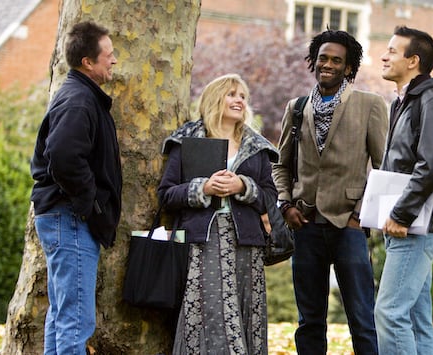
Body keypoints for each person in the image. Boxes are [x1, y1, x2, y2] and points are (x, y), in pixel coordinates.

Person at [272, 29, 388, 354]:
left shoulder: (370, 105)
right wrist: (285, 205)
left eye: (336, 60)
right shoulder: (296, 108)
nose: (328, 64)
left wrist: (360, 216)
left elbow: (384, 167)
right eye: (323, 58)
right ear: (314, 60)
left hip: (349, 226)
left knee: (362, 320)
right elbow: (280, 165)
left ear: (348, 68)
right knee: (309, 321)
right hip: (305, 226)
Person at [158, 73, 277, 355]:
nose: (239, 100)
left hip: (246, 246)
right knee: (210, 314)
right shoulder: (188, 140)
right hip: (204, 241)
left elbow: (270, 198)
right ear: (216, 98)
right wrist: (204, 188)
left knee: (245, 315)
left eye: (243, 96)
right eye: (232, 94)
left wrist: (243, 186)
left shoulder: (256, 146)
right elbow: (166, 194)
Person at [29, 21, 121, 355]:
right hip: (70, 218)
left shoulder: (80, 96)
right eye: (108, 55)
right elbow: (65, 157)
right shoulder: (79, 100)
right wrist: (91, 204)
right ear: (88, 62)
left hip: (64, 216)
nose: (113, 60)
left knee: (62, 316)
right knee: (76, 321)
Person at [375, 25, 433, 355]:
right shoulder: (405, 102)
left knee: (389, 312)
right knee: (413, 316)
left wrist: (400, 213)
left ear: (413, 61)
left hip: (414, 224)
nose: (384, 55)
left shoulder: (432, 101)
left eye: (393, 51)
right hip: (407, 223)